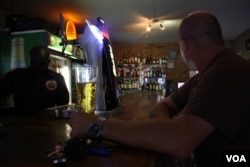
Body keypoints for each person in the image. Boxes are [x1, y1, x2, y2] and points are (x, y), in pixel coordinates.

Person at [69, 11, 250, 166]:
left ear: (184, 44)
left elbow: (179, 142)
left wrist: (97, 125)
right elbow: (162, 107)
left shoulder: (226, 72)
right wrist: (168, 130)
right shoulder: (203, 77)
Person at [0, 45, 69, 116]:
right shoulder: (16, 76)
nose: (37, 67)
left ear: (48, 62)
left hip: (47, 124)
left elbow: (63, 105)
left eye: (41, 64)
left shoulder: (57, 79)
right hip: (20, 124)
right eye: (33, 63)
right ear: (29, 60)